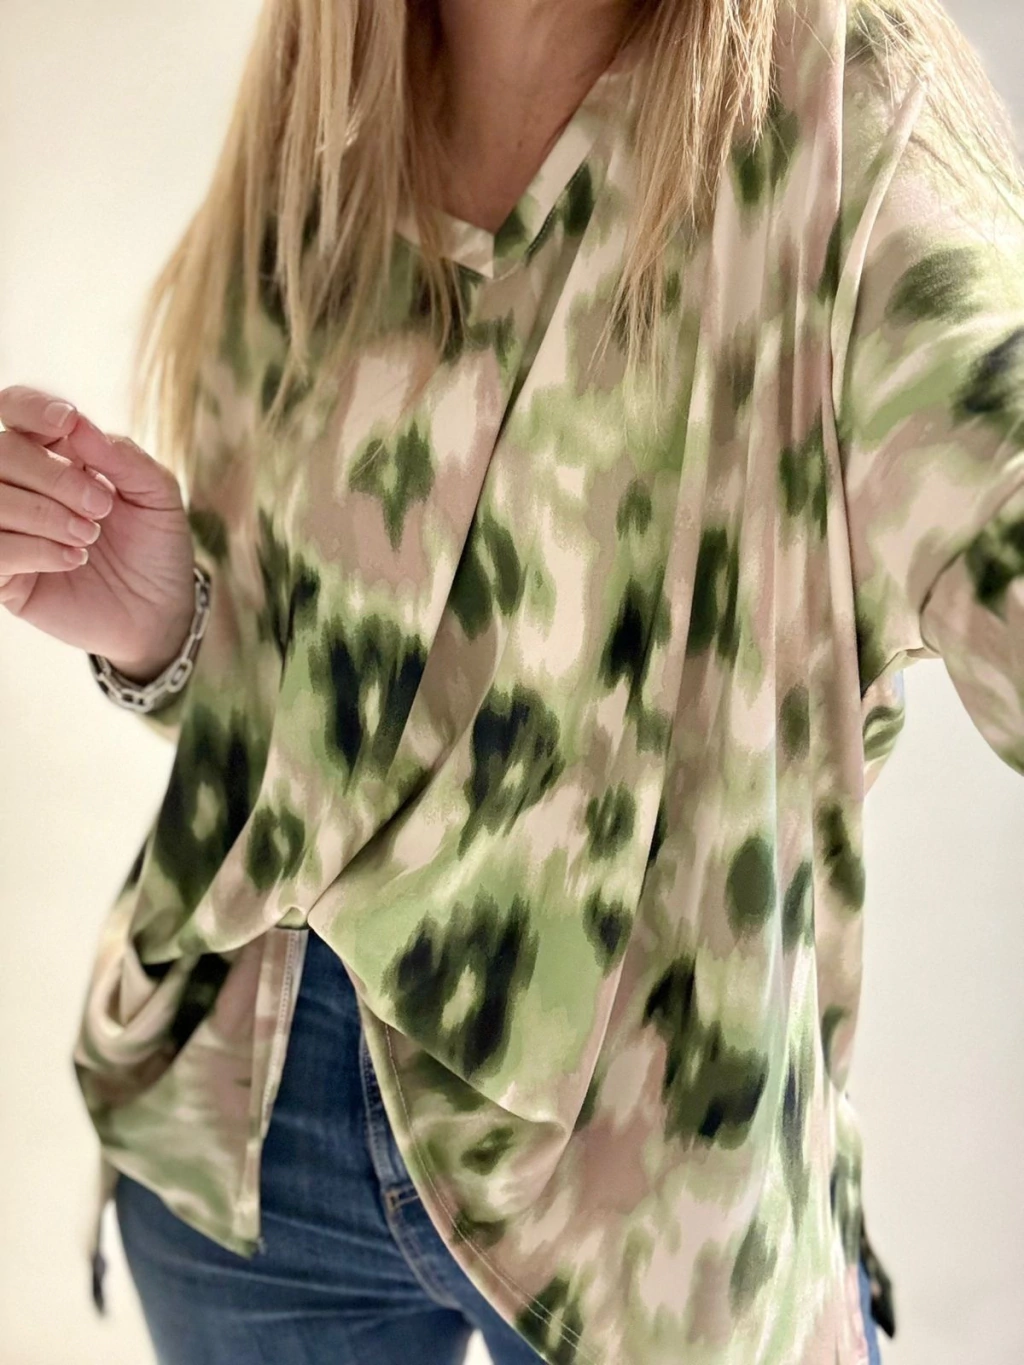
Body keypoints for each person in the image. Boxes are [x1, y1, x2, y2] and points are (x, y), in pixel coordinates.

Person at [2, 0, 1022, 1360]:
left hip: (650, 1208)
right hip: (245, 1122)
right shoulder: (336, 82)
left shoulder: (843, 105)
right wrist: (169, 625)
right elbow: (309, 707)